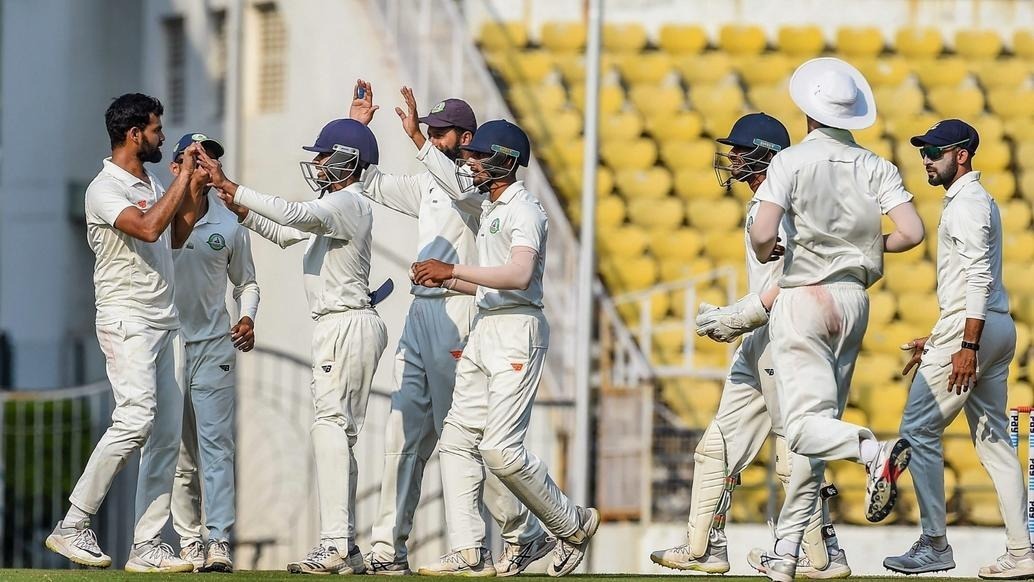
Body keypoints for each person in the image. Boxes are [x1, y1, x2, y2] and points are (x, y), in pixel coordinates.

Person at [349, 80, 553, 576]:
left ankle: (519, 532)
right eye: (432, 131)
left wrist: (420, 143)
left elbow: (458, 187)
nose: (431, 136)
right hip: (422, 313)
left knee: (465, 436)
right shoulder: (430, 181)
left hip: (462, 312)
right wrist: (355, 128)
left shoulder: (479, 193)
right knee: (402, 433)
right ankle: (387, 547)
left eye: (441, 132)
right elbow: (369, 182)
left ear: (467, 139)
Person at [746, 58, 926, 582]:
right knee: (820, 426)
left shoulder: (791, 162)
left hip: (804, 295)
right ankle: (786, 552)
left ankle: (874, 450)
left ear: (806, 112)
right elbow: (912, 232)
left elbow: (762, 235)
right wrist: (865, 250)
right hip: (854, 299)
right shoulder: (875, 165)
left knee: (802, 430)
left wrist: (769, 250)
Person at [650, 113, 851, 579]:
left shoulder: (782, 203)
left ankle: (820, 555)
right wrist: (740, 318)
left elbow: (792, 275)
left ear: (768, 154)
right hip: (761, 339)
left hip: (787, 335)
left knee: (793, 450)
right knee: (717, 445)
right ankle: (705, 547)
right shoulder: (765, 199)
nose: (734, 157)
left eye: (742, 149)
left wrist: (739, 316)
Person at [199, 118, 388, 575]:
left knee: (329, 428)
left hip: (342, 326)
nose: (318, 162)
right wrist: (243, 211)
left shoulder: (346, 202)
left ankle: (334, 544)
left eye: (325, 154)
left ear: (348, 159)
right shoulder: (338, 205)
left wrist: (233, 187)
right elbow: (287, 233)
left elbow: (292, 215)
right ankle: (347, 546)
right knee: (339, 435)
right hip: (352, 324)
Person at [411, 120, 599, 578]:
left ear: (504, 161)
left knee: (500, 450)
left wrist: (451, 267)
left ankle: (571, 523)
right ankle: (470, 551)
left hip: (518, 330)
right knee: (457, 441)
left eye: (477, 157)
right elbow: (490, 275)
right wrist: (446, 279)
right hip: (485, 328)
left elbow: (517, 276)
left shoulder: (526, 210)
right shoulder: (490, 206)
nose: (469, 162)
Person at [45, 93, 202, 573]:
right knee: (135, 419)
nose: (162, 137)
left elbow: (177, 235)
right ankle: (73, 523)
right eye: (156, 129)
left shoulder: (152, 180)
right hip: (125, 317)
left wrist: (195, 185)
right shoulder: (103, 188)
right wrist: (177, 187)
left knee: (165, 436)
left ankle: (147, 545)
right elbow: (152, 228)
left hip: (164, 318)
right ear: (134, 134)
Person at [884, 119, 1032, 578]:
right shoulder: (972, 201)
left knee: (917, 430)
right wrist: (948, 335)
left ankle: (934, 544)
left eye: (935, 152)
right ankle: (1022, 552)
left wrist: (965, 343)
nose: (926, 160)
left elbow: (978, 279)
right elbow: (974, 283)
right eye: (923, 152)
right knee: (993, 443)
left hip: (977, 329)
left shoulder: (967, 204)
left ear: (962, 155)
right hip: (996, 327)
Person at [166, 133, 260, 573]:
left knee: (216, 447)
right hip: (166, 345)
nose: (203, 165)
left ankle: (218, 539)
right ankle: (188, 540)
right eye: (193, 158)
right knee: (179, 450)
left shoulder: (228, 223)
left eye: (209, 159)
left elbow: (248, 282)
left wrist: (247, 316)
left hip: (214, 345)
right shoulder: (157, 216)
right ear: (176, 167)